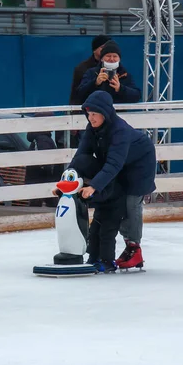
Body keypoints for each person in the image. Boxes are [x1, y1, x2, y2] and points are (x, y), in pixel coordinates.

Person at [69, 90, 156, 269]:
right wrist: (66, 181)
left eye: (94, 114)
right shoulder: (92, 128)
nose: (90, 118)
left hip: (140, 165)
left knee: (130, 204)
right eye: (88, 114)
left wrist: (93, 186)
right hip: (119, 163)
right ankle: (115, 251)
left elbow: (113, 164)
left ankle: (134, 248)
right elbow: (81, 156)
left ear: (105, 113)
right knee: (117, 202)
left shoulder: (120, 131)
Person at [76, 40, 142, 105]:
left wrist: (120, 88)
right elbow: (79, 94)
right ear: (102, 59)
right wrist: (95, 83)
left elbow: (137, 96)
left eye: (115, 56)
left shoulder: (125, 75)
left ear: (119, 59)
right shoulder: (91, 72)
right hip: (96, 113)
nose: (111, 59)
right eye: (108, 56)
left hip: (118, 113)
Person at [25, 116, 62, 208]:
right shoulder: (43, 139)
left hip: (37, 178)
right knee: (50, 203)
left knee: (38, 204)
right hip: (43, 179)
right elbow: (45, 162)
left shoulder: (39, 139)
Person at [69, 34, 112, 107]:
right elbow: (78, 93)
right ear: (94, 50)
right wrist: (95, 82)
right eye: (102, 47)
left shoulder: (118, 67)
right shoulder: (83, 68)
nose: (106, 50)